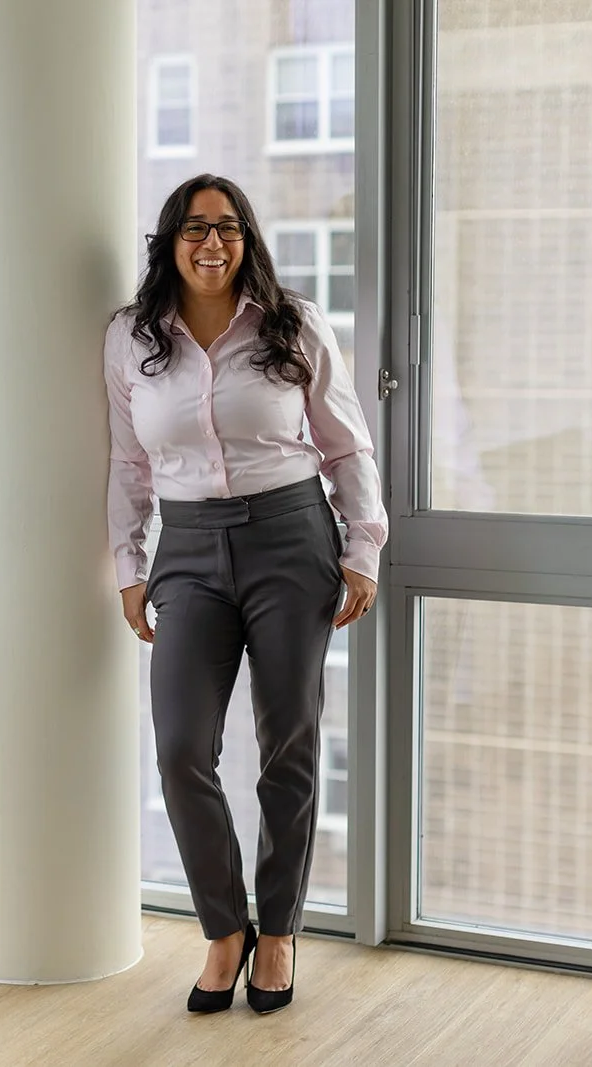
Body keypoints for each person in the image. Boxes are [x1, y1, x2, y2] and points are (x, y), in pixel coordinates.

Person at [104, 174, 387, 1015]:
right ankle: (223, 929)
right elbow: (127, 463)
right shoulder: (131, 337)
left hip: (291, 538)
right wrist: (128, 565)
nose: (212, 243)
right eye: (195, 229)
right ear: (170, 242)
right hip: (186, 549)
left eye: (228, 228)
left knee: (287, 744)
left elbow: (347, 447)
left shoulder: (292, 323)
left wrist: (362, 547)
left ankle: (278, 933)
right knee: (182, 748)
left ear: (247, 239)